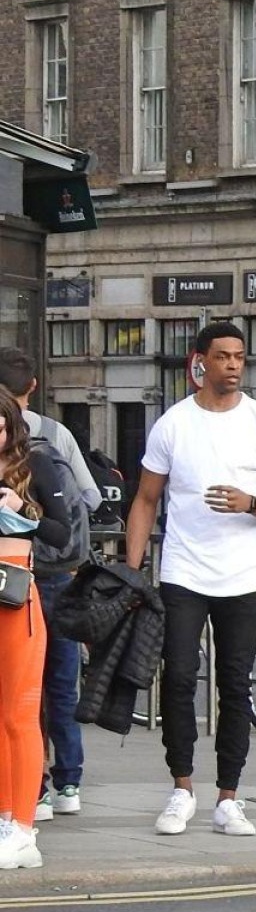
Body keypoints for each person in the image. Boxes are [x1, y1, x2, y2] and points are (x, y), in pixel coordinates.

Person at [123, 321, 256, 837]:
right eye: (223, 356)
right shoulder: (172, 425)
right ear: (200, 362)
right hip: (183, 571)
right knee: (178, 679)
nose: (233, 365)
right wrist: (133, 573)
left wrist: (251, 503)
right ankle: (182, 788)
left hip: (243, 575)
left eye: (240, 357)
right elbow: (145, 500)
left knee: (235, 685)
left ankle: (229, 797)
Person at [0, 350, 100, 825]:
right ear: (33, 385)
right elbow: (93, 497)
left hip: (43, 582)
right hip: (28, 581)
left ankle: (59, 782)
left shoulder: (43, 451)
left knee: (50, 685)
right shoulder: (54, 436)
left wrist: (23, 509)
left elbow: (66, 523)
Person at [0, 387, 78, 870]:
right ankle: (5, 815)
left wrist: (20, 512)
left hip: (14, 597)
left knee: (19, 715)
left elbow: (60, 532)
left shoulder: (35, 465)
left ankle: (23, 827)